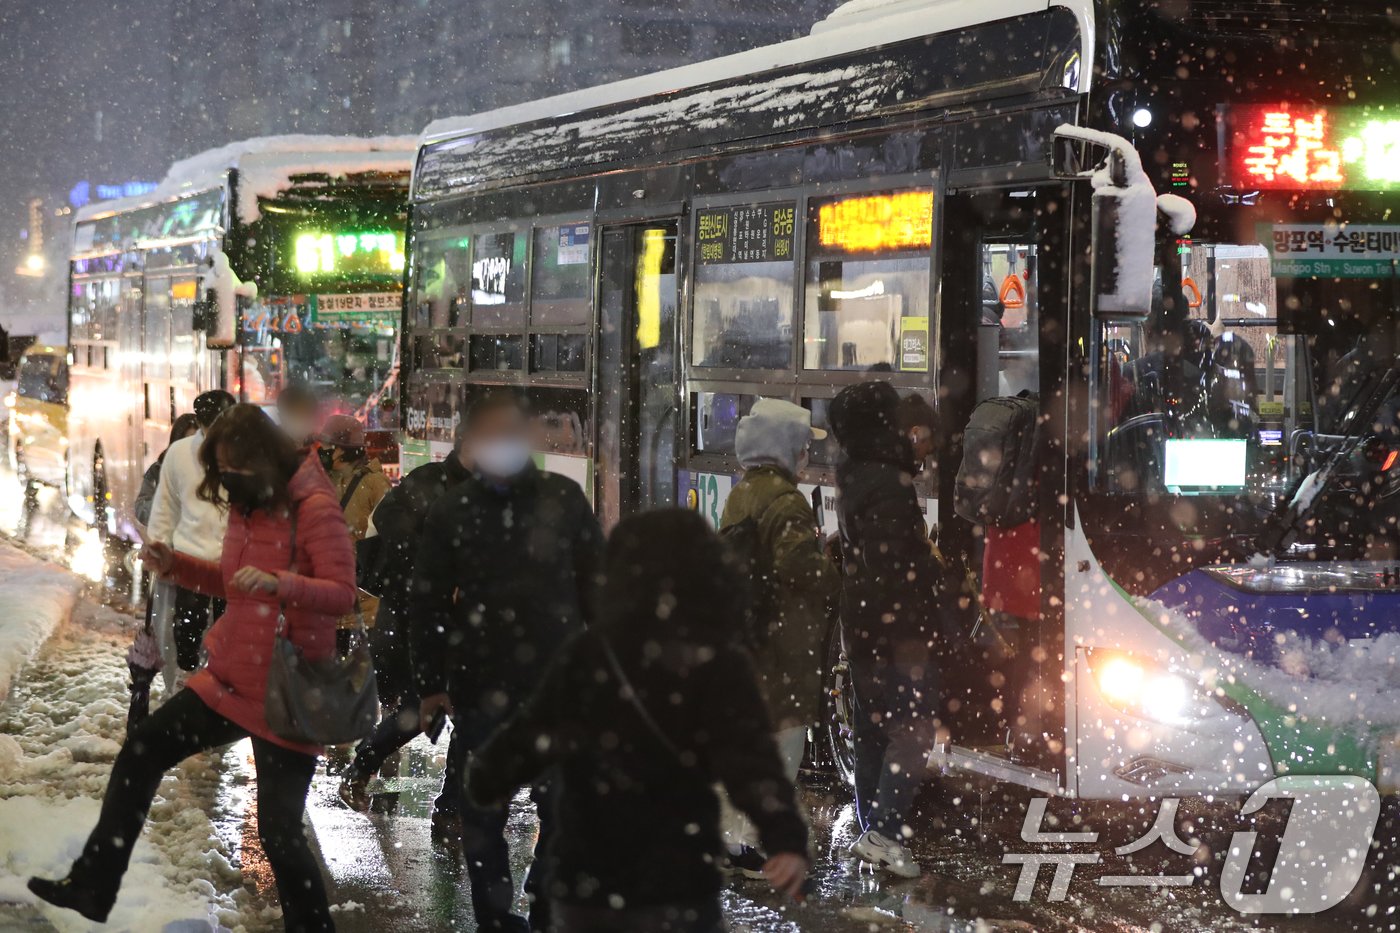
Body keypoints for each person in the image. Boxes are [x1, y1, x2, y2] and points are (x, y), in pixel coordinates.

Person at [29, 404, 354, 932]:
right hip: (230, 678)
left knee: (279, 835)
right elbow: (233, 584)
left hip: (288, 691)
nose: (227, 480)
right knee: (141, 750)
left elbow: (342, 594)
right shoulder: (248, 506)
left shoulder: (314, 507)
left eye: (234, 468)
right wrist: (176, 565)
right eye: (220, 469)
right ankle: (93, 884)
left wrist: (281, 584)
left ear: (262, 459)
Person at [467, 510, 810, 933]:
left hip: (590, 879)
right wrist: (784, 838)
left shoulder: (590, 653)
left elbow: (532, 734)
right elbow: (750, 760)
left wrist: (489, 777)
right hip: (679, 881)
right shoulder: (717, 661)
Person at [412, 389, 603, 933]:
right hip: (481, 689)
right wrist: (430, 685)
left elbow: (599, 589)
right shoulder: (454, 510)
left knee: (563, 807)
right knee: (484, 814)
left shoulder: (564, 499)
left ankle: (544, 900)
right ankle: (495, 919)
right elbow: (427, 603)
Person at [715, 398, 835, 876]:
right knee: (783, 747)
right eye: (803, 447)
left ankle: (730, 839)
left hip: (748, 638)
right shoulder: (786, 502)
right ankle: (755, 847)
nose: (807, 456)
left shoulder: (742, 492)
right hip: (782, 644)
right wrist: (836, 575)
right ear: (785, 448)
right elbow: (798, 566)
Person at [338, 420, 473, 838]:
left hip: (472, 623)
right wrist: (437, 573)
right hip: (423, 617)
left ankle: (450, 809)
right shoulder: (430, 481)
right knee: (424, 708)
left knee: (468, 712)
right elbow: (389, 520)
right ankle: (364, 764)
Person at [829, 380, 941, 879]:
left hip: (862, 628)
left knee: (873, 730)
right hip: (896, 634)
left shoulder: (856, 472)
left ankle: (871, 826)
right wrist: (932, 563)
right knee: (912, 731)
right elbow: (897, 567)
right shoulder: (889, 484)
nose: (925, 453)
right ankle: (885, 833)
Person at [146, 389, 237, 692]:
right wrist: (159, 545)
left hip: (233, 559)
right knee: (188, 628)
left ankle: (221, 684)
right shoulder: (180, 452)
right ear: (201, 422)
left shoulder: (245, 453)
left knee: (228, 631)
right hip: (191, 559)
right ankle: (187, 683)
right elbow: (166, 505)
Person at [125, 413, 200, 731]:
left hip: (201, 568)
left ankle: (194, 697)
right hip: (170, 568)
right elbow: (141, 506)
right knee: (167, 631)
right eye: (186, 437)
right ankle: (174, 695)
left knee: (199, 633)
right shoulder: (161, 469)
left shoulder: (212, 471)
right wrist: (165, 509)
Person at [276, 382, 320, 449]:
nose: (303, 423)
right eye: (296, 416)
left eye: (307, 416)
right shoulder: (271, 442)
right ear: (281, 417)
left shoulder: (317, 445)